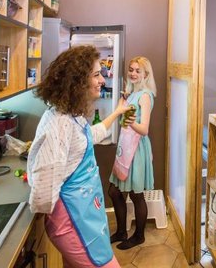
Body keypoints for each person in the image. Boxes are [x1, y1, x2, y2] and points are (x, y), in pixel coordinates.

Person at [27, 45, 136, 268]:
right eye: (96, 75)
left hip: (82, 213)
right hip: (71, 218)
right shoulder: (59, 123)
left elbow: (89, 136)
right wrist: (39, 223)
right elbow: (44, 188)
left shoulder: (71, 115)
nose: (102, 80)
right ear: (77, 81)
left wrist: (116, 112)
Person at [108, 56, 157, 250]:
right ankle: (121, 232)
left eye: (138, 71)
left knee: (136, 195)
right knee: (114, 191)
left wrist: (130, 122)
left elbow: (144, 129)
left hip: (136, 150)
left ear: (146, 74)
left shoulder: (145, 96)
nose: (133, 73)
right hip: (125, 147)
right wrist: (123, 102)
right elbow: (122, 115)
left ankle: (139, 236)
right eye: (131, 70)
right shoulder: (131, 94)